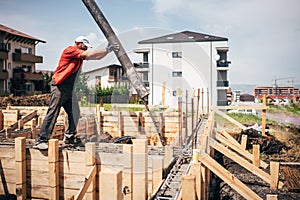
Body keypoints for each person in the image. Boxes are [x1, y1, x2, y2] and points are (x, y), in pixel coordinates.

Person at [33, 36, 119, 150]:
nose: (85, 49)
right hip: (59, 87)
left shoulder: (79, 57)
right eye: (84, 46)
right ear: (78, 43)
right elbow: (89, 54)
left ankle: (69, 136)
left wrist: (108, 50)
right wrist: (108, 49)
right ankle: (41, 140)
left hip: (69, 89)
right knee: (53, 112)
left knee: (75, 112)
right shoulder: (70, 50)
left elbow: (97, 57)